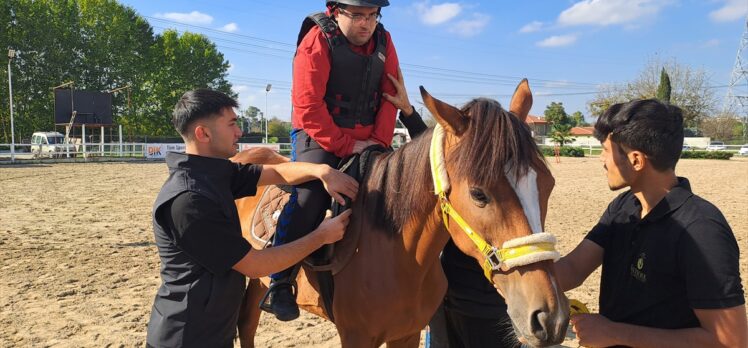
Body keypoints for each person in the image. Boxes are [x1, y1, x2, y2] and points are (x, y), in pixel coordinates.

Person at [145, 89, 359, 348]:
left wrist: (321, 171)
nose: (239, 132)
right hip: (188, 337)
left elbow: (277, 171)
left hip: (213, 331)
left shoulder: (215, 174)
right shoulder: (189, 201)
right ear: (204, 134)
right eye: (232, 124)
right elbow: (255, 266)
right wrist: (321, 235)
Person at [554, 99, 747, 348]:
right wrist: (511, 271)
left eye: (605, 150)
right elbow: (572, 268)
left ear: (636, 160)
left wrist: (615, 333)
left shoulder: (701, 229)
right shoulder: (624, 206)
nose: (602, 160)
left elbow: (731, 342)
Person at [267, 0, 401, 321]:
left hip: (370, 139)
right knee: (310, 197)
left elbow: (391, 95)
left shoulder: (385, 41)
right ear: (334, 11)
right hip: (319, 135)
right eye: (356, 15)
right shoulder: (316, 40)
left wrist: (377, 143)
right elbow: (309, 107)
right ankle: (280, 280)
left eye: (371, 15)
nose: (365, 23)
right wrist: (347, 145)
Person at [383, 70, 518, 348]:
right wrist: (408, 112)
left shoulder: (506, 182)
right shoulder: (458, 172)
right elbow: (437, 157)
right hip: (447, 295)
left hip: (485, 302)